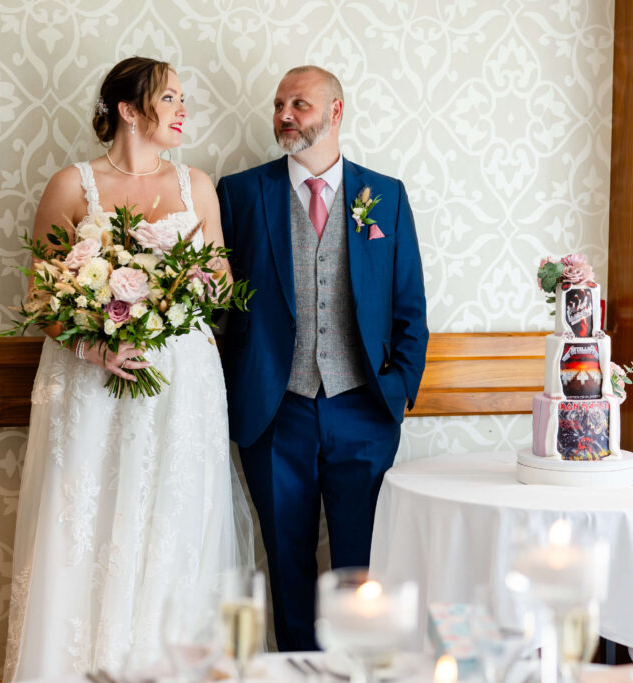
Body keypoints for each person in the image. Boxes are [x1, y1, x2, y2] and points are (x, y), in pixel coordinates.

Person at [3, 57, 250, 680]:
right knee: (84, 519)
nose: (183, 110)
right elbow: (39, 295)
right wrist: (96, 346)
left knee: (175, 514)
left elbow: (219, 283)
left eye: (182, 98)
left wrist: (182, 289)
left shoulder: (198, 184)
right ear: (129, 111)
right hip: (91, 383)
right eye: (169, 98)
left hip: (182, 382)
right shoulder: (71, 185)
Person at [216, 65, 428, 651]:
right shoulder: (238, 194)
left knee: (359, 567)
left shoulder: (383, 195)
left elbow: (409, 304)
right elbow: (218, 310)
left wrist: (400, 389)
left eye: (299, 104)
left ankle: (356, 667)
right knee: (286, 562)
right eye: (280, 104)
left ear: (335, 112)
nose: (285, 115)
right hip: (274, 410)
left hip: (364, 407)